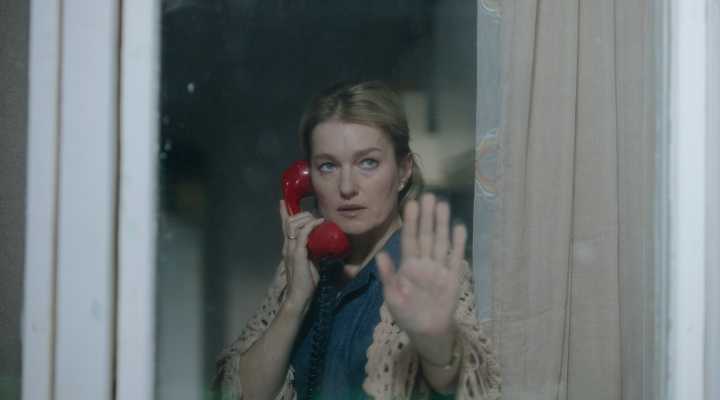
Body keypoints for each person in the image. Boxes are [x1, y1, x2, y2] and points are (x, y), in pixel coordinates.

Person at [214, 81, 500, 399]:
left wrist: (437, 345)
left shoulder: (430, 269)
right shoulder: (296, 272)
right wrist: (294, 303)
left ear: (403, 171)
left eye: (368, 163)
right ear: (307, 179)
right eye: (328, 166)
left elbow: (470, 385)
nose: (347, 187)